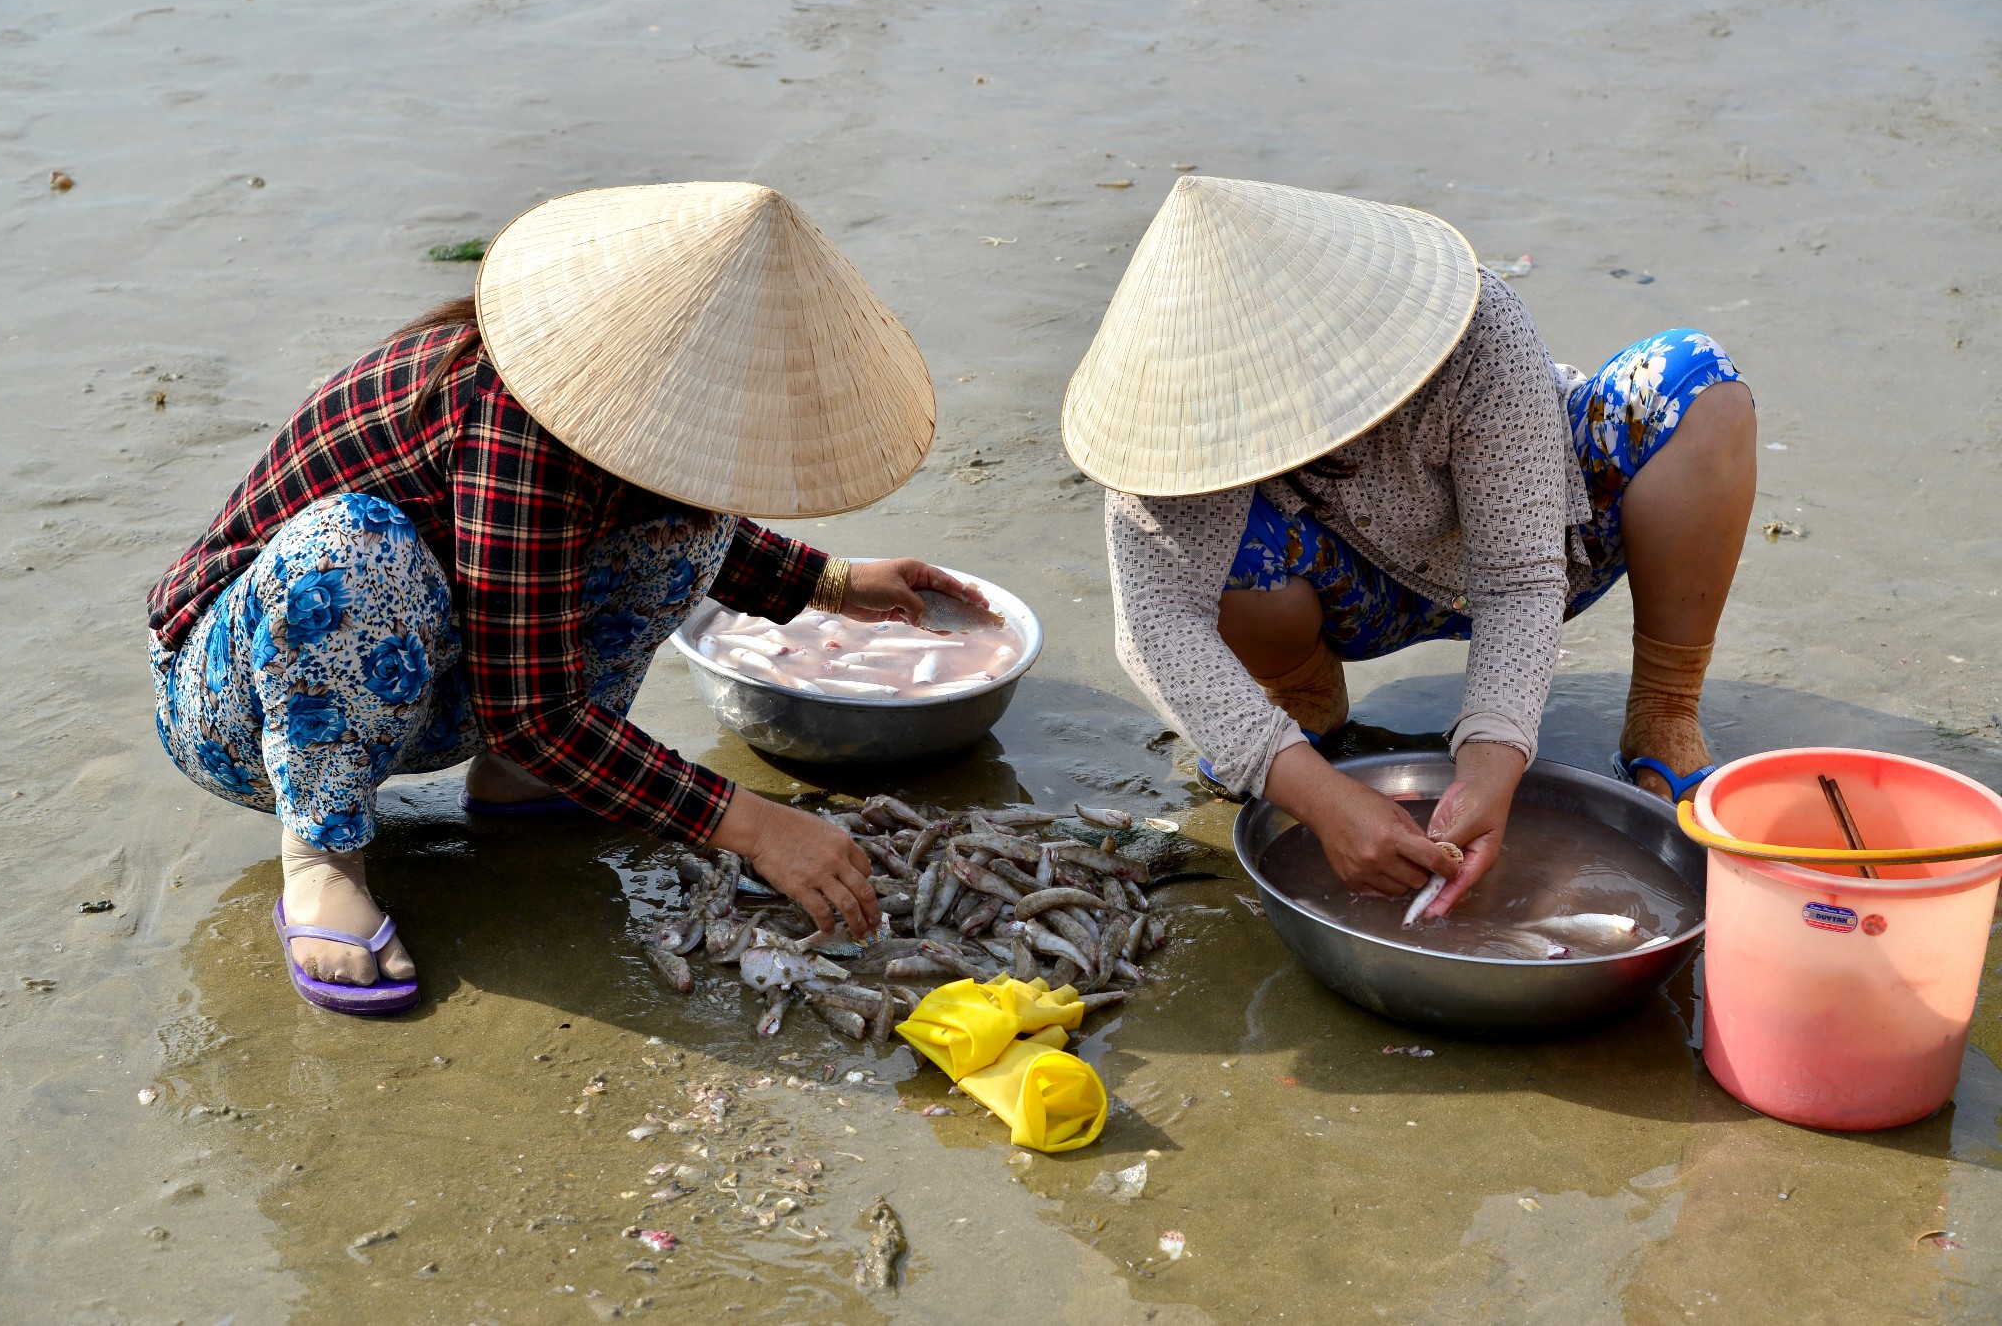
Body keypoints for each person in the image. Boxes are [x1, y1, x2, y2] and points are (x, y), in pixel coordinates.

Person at [146, 182, 978, 1014]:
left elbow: (665, 516)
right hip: (243, 712)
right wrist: (758, 828)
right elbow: (531, 708)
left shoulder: (618, 426)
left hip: (425, 673)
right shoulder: (512, 418)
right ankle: (321, 859)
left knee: (688, 523)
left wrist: (829, 583)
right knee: (357, 548)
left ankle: (523, 782)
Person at [1065, 177, 1755, 918]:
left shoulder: (1476, 328)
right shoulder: (1183, 413)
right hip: (1341, 590)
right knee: (1214, 563)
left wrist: (1492, 759)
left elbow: (1521, 579)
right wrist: (1317, 796)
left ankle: (1664, 707)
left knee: (1695, 386)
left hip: (1545, 541)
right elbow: (1156, 623)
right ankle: (1302, 697)